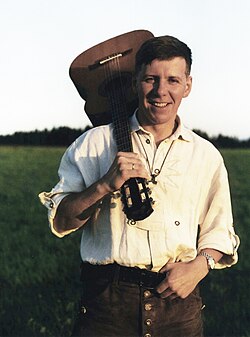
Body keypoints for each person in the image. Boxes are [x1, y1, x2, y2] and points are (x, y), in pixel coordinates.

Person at [39, 35, 239, 337]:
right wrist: (105, 185)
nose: (161, 91)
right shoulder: (93, 144)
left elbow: (219, 230)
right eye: (150, 79)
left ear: (188, 85)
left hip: (178, 307)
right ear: (135, 82)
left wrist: (199, 267)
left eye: (173, 80)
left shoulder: (205, 155)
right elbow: (63, 221)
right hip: (107, 308)